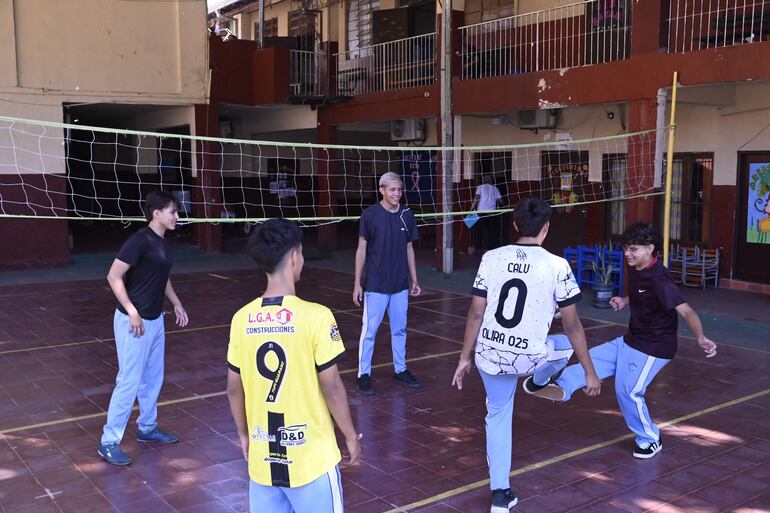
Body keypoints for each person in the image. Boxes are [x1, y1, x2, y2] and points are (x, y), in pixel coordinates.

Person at [452, 197, 601, 513]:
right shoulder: (557, 265)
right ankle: (538, 381)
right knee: (564, 344)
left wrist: (464, 359)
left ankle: (500, 496)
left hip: (489, 354)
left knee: (497, 418)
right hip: (529, 357)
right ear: (546, 228)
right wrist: (588, 370)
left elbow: (476, 314)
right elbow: (573, 325)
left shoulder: (491, 258)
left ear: (516, 225)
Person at [524, 222, 718, 460]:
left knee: (628, 389)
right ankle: (559, 385)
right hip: (633, 339)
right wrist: (625, 301)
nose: (627, 254)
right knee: (590, 362)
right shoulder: (637, 268)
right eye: (626, 248)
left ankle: (649, 438)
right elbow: (641, 294)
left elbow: (687, 311)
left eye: (633, 249)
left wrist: (700, 336)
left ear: (650, 248)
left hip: (654, 347)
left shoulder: (661, 280)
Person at [227, 218, 361, 513]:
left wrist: (244, 435)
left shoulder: (241, 319)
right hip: (311, 460)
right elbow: (332, 386)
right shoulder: (317, 316)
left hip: (264, 461)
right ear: (294, 257)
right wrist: (351, 436)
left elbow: (233, 388)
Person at [98, 190, 189, 466]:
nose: (176, 216)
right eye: (172, 211)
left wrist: (176, 303)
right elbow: (113, 276)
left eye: (176, 211)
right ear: (156, 213)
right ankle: (108, 442)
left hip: (155, 319)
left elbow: (163, 276)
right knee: (129, 381)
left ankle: (147, 428)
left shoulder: (163, 243)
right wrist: (132, 310)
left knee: (153, 378)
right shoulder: (138, 241)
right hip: (133, 322)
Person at [353, 172, 422, 395]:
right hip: (376, 283)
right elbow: (361, 249)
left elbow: (409, 248)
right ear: (381, 190)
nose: (397, 194)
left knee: (399, 329)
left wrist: (414, 279)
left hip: (400, 283)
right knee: (370, 331)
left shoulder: (406, 214)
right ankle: (363, 375)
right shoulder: (369, 215)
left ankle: (400, 369)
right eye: (392, 190)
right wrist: (357, 283)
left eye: (399, 190)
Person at [470, 175, 503, 254]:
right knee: (491, 231)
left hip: (481, 212)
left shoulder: (480, 187)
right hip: (492, 212)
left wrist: (471, 208)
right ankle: (491, 248)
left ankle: (478, 248)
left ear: (483, 180)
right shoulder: (495, 188)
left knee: (479, 230)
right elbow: (501, 201)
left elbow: (477, 197)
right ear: (491, 180)